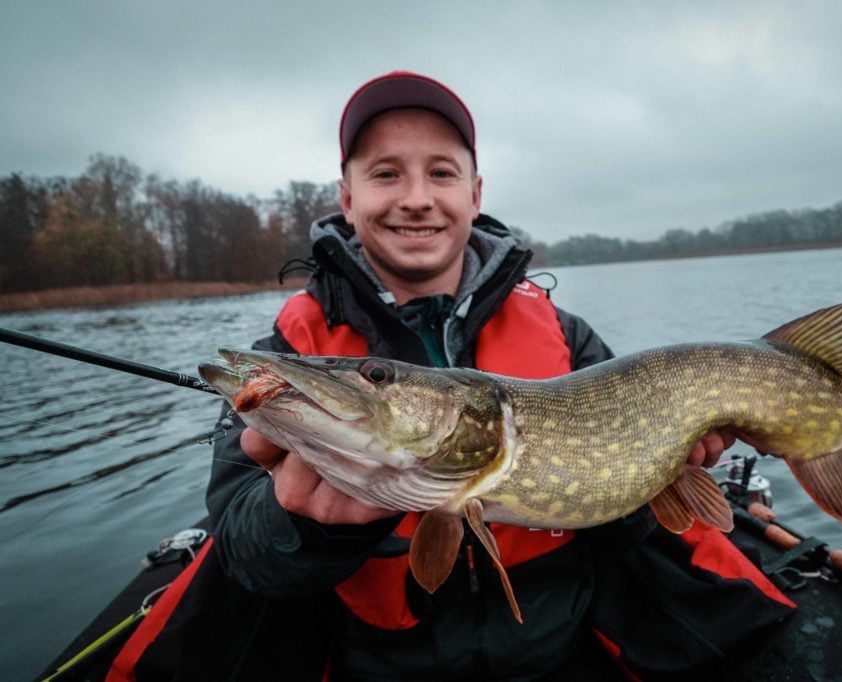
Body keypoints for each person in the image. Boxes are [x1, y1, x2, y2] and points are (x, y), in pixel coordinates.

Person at [112, 72, 794, 681]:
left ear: (474, 194)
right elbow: (244, 558)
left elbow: (623, 530)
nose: (416, 199)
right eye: (385, 175)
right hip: (376, 662)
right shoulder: (288, 354)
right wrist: (308, 526)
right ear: (347, 199)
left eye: (441, 174)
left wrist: (659, 475)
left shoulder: (567, 338)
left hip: (555, 650)